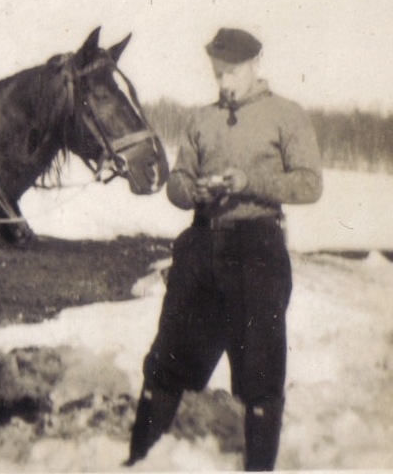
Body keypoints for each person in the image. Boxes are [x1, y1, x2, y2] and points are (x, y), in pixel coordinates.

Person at [125, 27, 323, 471]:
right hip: (200, 247)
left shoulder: (286, 115)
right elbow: (176, 183)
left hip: (257, 250)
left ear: (255, 65)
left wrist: (249, 182)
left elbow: (310, 184)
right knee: (166, 362)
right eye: (218, 74)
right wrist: (189, 190)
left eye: (231, 73)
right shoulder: (201, 119)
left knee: (260, 373)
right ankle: (137, 461)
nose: (224, 83)